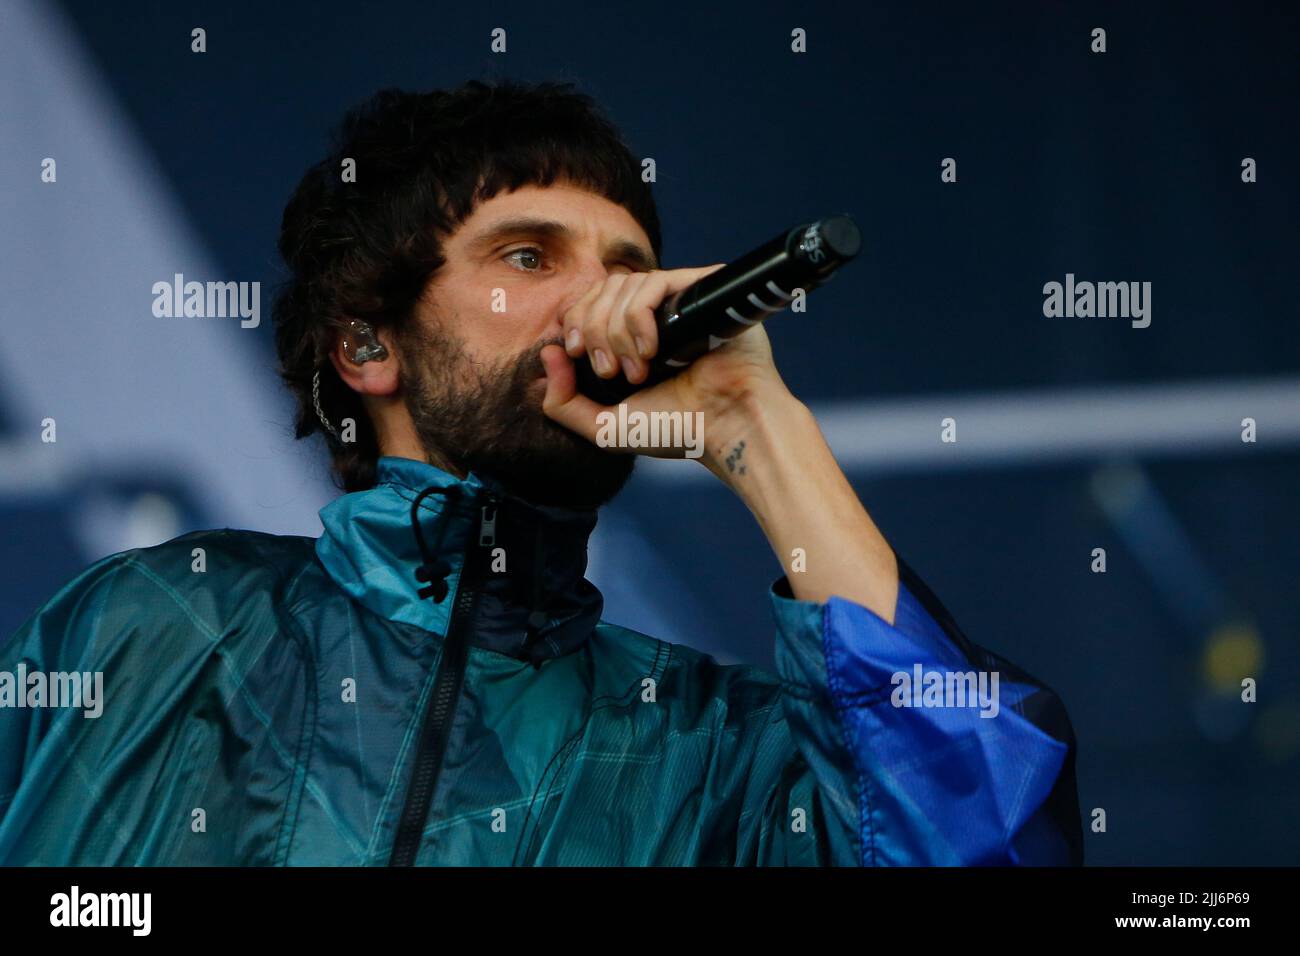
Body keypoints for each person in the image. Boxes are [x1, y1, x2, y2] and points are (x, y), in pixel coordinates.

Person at [0, 79, 1081, 866]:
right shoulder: (154, 625)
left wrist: (756, 425)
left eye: (624, 269)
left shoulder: (714, 754)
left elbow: (979, 843)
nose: (597, 304)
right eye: (529, 257)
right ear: (367, 348)